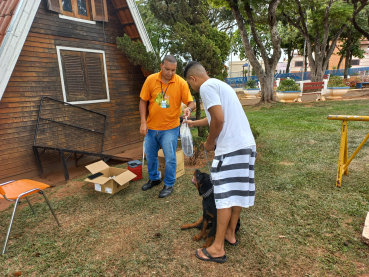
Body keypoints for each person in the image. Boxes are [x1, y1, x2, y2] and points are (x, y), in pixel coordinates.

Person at [183, 61, 256, 263]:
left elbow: (219, 119)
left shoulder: (205, 87)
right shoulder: (220, 85)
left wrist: (209, 142)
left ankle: (217, 248)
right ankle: (230, 234)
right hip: (246, 145)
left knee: (222, 195)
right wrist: (192, 123)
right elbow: (212, 117)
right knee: (237, 193)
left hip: (231, 148)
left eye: (191, 86)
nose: (193, 89)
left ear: (192, 79)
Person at [139, 55, 195, 198]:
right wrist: (143, 123)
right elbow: (142, 101)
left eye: (173, 70)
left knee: (170, 158)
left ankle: (169, 184)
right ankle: (154, 179)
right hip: (151, 127)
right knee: (150, 156)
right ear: (161, 66)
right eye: (167, 69)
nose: (170, 73)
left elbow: (191, 102)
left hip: (170, 128)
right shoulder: (151, 80)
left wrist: (189, 109)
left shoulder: (181, 83)